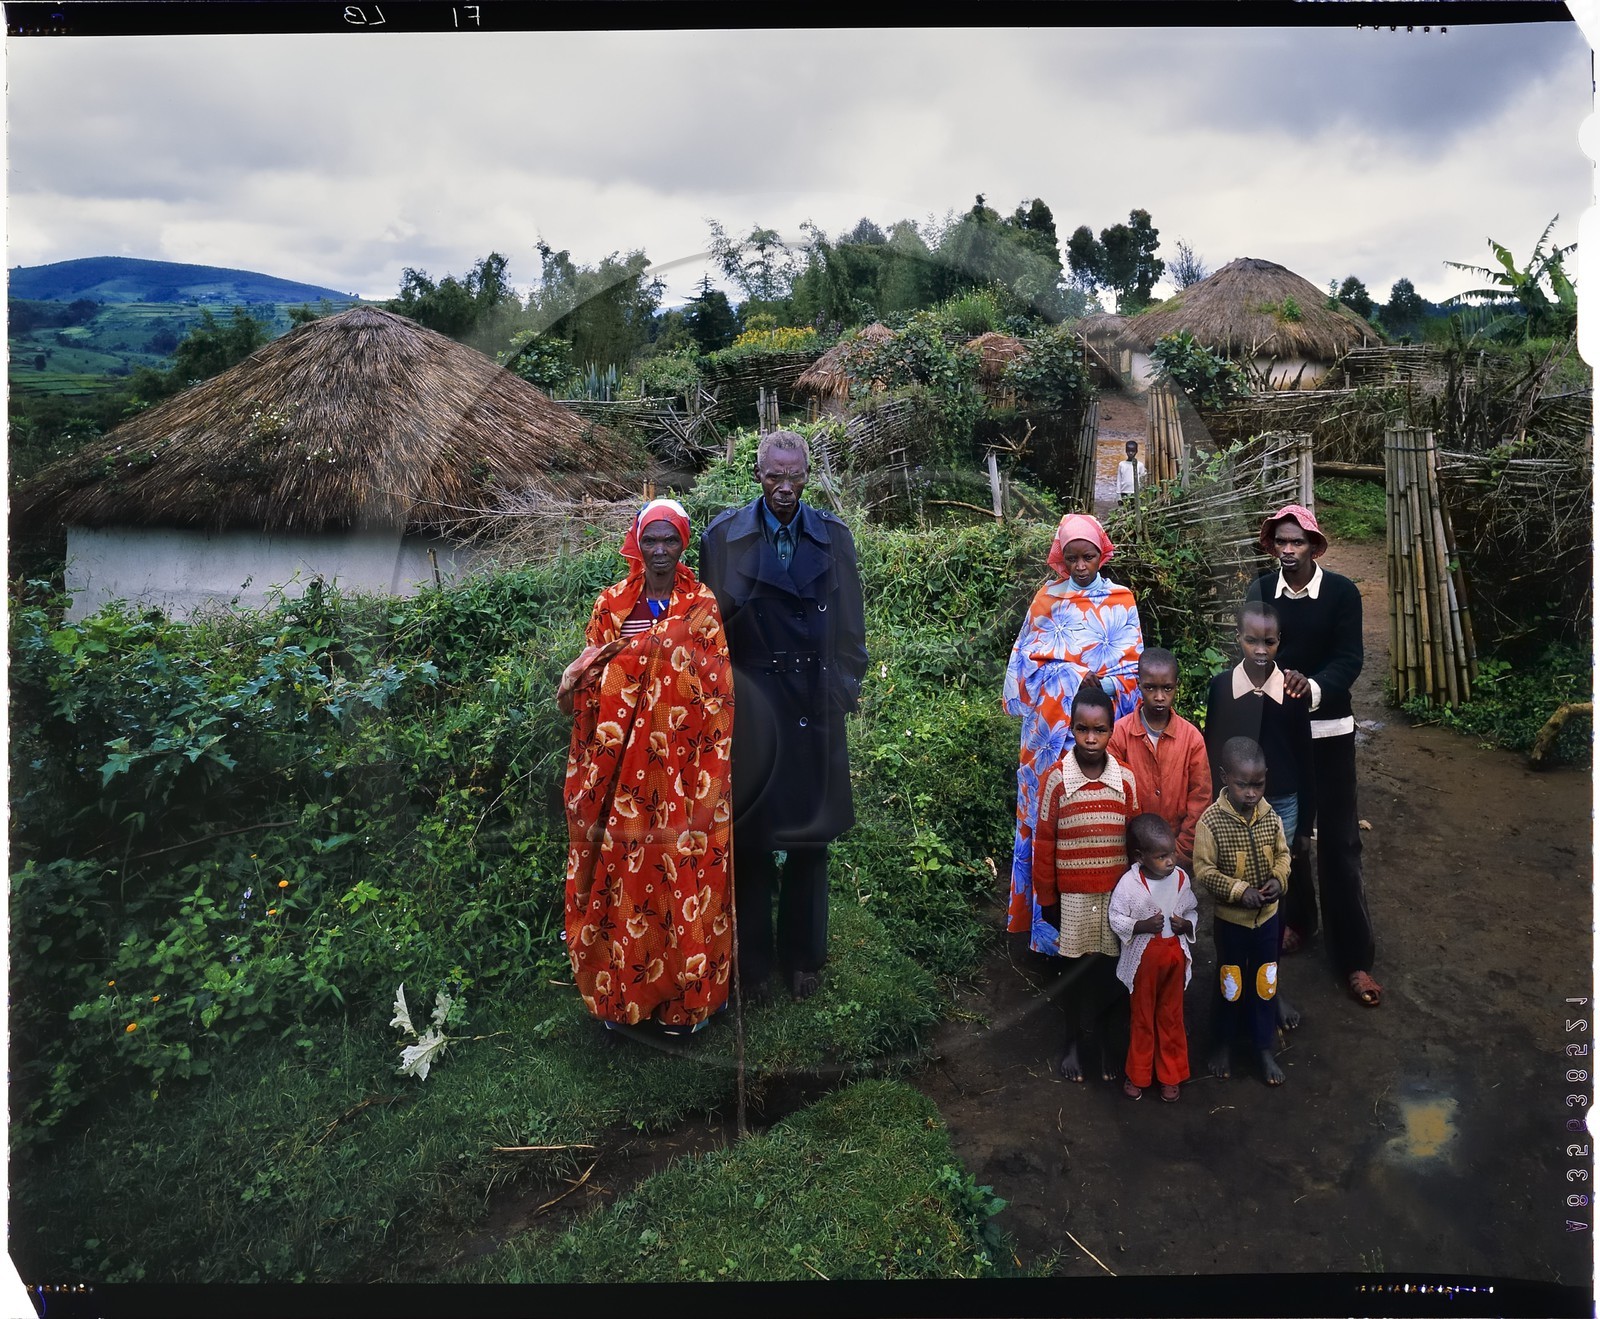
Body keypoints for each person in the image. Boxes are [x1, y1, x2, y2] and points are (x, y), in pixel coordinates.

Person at [698, 430, 868, 1003]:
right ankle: (755, 966)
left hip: (812, 713)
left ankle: (804, 958)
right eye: (775, 476)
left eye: (796, 477)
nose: (786, 488)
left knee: (808, 841)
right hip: (752, 715)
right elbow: (708, 634)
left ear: (808, 476)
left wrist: (840, 688)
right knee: (748, 841)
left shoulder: (834, 537)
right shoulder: (723, 537)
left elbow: (851, 629)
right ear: (757, 473)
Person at [557, 497, 734, 1035]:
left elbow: (718, 693)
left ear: (684, 544)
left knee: (684, 875)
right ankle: (619, 999)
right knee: (624, 882)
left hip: (683, 773)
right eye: (650, 540)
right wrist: (628, 673)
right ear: (637, 542)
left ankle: (687, 1001)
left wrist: (643, 669)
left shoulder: (701, 606)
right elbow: (587, 684)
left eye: (670, 540)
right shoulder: (610, 606)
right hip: (617, 780)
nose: (659, 551)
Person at [1245, 503, 1381, 1009]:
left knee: (1340, 842)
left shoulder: (1342, 593)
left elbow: (1351, 658)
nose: (1287, 550)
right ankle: (1300, 920)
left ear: (1314, 547)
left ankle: (1354, 957)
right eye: (1280, 541)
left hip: (1328, 729)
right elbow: (1253, 650)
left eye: (1296, 542)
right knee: (1291, 834)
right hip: (1278, 734)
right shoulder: (1261, 591)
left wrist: (1315, 685)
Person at [1003, 512, 1143, 955]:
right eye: (1072, 557)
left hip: (1100, 738)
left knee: (1097, 832)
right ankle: (1049, 936)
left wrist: (1097, 683)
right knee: (1049, 828)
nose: (1081, 566)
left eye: (1089, 556)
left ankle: (1104, 934)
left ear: (1102, 553)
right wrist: (1070, 676)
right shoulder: (1046, 601)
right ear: (1060, 558)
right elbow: (1024, 668)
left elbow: (1135, 673)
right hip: (1050, 741)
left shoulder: (1121, 600)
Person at [1205, 599, 1315, 1033]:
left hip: (1281, 804)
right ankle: (1229, 979)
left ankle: (1271, 984)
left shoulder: (1291, 692)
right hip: (1229, 806)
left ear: (1279, 641)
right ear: (1239, 640)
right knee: (1231, 888)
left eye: (1269, 641)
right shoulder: (1220, 686)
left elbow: (1307, 760)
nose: (1261, 649)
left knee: (1273, 888)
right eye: (1252, 640)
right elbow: (1213, 746)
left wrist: (1305, 824)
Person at [1032, 683, 1141, 1082]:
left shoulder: (1125, 780)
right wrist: (1048, 898)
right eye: (1081, 729)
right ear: (1071, 729)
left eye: (1099, 730)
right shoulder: (1056, 780)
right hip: (1072, 900)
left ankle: (1109, 1043)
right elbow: (1043, 842)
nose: (1090, 738)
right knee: (1074, 972)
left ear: (1113, 730)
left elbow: (1135, 842)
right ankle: (1073, 1043)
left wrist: (1138, 898)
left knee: (1113, 972)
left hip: (1116, 899)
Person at [1194, 737, 1290, 1086]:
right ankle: (1223, 1042)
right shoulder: (1211, 823)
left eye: (1258, 784)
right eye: (1243, 784)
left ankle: (1263, 1047)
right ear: (1224, 777)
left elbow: (1283, 855)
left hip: (1267, 919)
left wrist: (1280, 879)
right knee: (1230, 983)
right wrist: (1239, 891)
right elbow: (1204, 871)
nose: (1252, 793)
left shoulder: (1271, 816)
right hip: (1231, 923)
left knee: (1265, 981)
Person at [1108, 814, 1197, 1102]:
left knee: (1171, 1016)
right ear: (1140, 857)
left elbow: (1191, 909)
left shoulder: (1181, 879)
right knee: (1143, 1017)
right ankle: (1139, 1073)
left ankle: (1170, 1074)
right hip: (1144, 961)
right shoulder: (1129, 885)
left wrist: (1188, 925)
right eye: (1161, 856)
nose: (1170, 861)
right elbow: (1116, 916)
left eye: (1171, 853)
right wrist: (1141, 926)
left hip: (1174, 957)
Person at [1107, 647, 1211, 873]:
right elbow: (1112, 799)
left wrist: (1180, 854)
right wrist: (1129, 857)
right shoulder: (1119, 735)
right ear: (1138, 684)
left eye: (1167, 688)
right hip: (1130, 858)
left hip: (1177, 857)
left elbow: (1200, 800)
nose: (1159, 696)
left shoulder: (1191, 738)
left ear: (1176, 686)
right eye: (1150, 688)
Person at [1115, 440, 1147, 504]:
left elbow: (1143, 480)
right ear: (1126, 451)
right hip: (1124, 492)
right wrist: (1118, 495)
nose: (1131, 453)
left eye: (1133, 451)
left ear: (1136, 451)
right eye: (1129, 451)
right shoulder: (1122, 464)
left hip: (1135, 492)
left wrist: (1142, 492)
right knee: (1124, 510)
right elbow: (1119, 480)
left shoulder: (1140, 465)